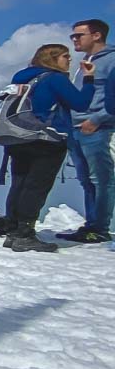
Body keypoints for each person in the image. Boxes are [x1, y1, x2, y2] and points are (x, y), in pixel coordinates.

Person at [2, 44, 94, 253]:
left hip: (18, 136)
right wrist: (88, 79)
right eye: (65, 56)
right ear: (52, 59)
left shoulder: (22, 77)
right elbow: (80, 103)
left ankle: (14, 230)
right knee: (37, 186)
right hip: (47, 138)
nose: (68, 60)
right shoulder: (55, 78)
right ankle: (25, 234)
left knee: (20, 183)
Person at [59, 19, 114, 243]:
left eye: (78, 35)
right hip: (76, 128)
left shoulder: (111, 60)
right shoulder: (86, 62)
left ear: (97, 35)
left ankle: (99, 227)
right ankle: (92, 225)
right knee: (86, 180)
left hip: (98, 128)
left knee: (102, 179)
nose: (74, 39)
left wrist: (98, 119)